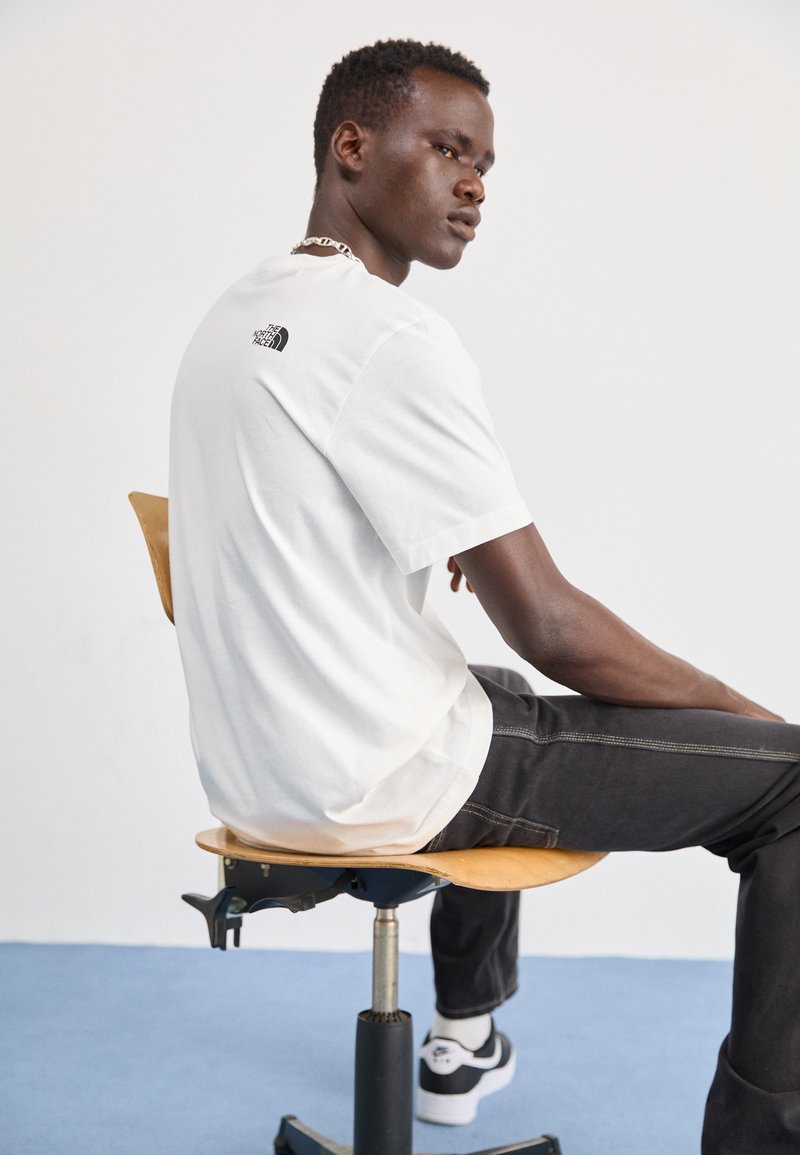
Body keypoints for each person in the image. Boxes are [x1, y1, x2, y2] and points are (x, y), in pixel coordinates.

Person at [169, 39, 800, 1154]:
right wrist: (746, 721)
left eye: (484, 165)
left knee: (485, 687)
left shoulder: (234, 316)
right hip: (384, 783)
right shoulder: (389, 336)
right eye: (447, 150)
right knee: (793, 785)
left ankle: (461, 1036)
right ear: (351, 147)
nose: (472, 185)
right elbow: (552, 626)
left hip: (258, 779)